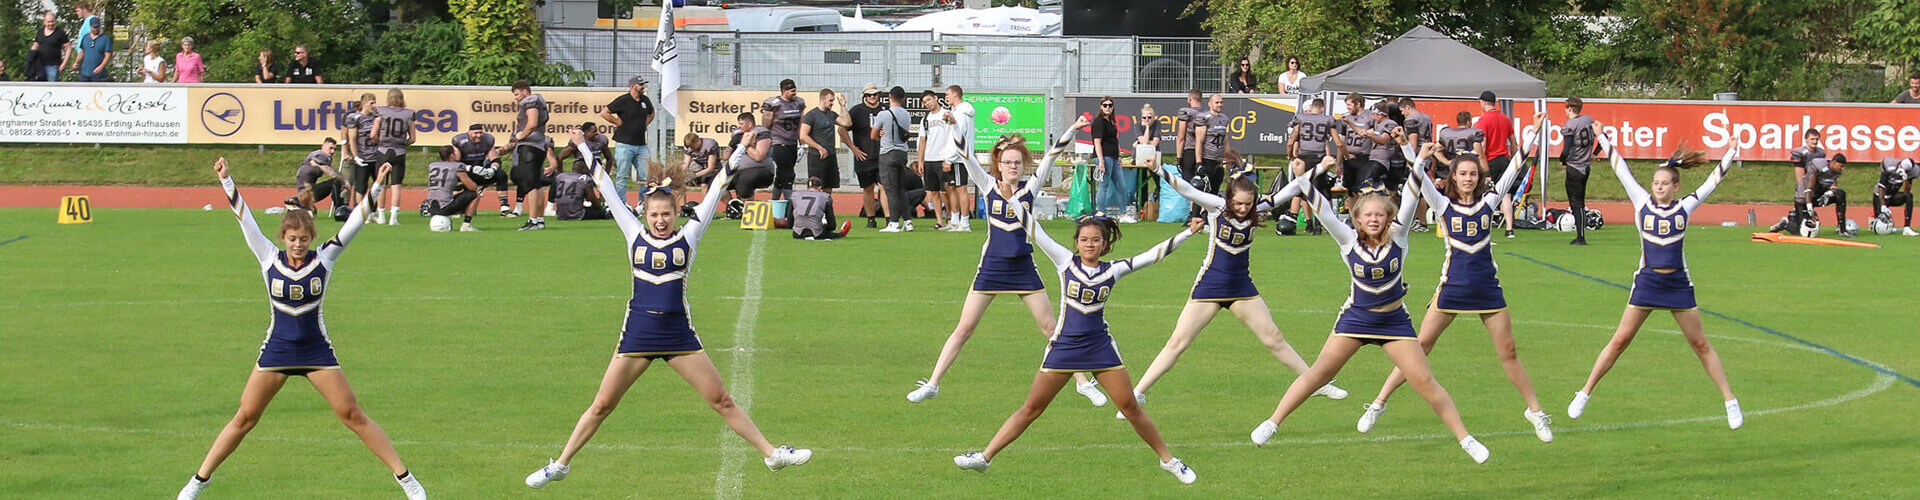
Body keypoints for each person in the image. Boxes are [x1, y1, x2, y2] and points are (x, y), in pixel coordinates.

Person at [522, 132, 812, 490]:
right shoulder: (633, 233)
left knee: (721, 399)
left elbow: (720, 183)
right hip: (638, 334)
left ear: (677, 211)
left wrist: (739, 147)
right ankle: (561, 464)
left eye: (666, 214)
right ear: (644, 213)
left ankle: (772, 454)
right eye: (654, 214)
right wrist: (582, 145)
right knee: (601, 405)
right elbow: (607, 188)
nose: (660, 220)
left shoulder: (689, 236)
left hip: (678, 335)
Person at [179, 159, 426, 500]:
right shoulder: (268, 256)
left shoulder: (324, 258)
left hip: (315, 352)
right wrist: (226, 179)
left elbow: (356, 221)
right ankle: (197, 482)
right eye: (293, 238)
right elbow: (244, 218)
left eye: (304, 238)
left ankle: (408, 482)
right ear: (283, 237)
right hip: (277, 349)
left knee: (353, 414)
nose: (298, 244)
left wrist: (379, 184)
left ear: (313, 237)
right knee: (244, 418)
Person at [1249, 157, 1489, 465]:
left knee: (1424, 381)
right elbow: (1321, 207)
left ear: (1389, 217)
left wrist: (1417, 158)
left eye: (1379, 214)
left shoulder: (1399, 238)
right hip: (1356, 319)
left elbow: (1414, 190)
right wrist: (1303, 176)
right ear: (1358, 219)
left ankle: (1465, 439)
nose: (1373, 219)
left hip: (1394, 322)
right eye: (1367, 215)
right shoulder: (1347, 240)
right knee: (1319, 374)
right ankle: (1273, 422)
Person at [951, 216, 1200, 485]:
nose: (1089, 244)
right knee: (1032, 408)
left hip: (1099, 347)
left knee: (1130, 406)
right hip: (1065, 347)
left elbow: (1153, 255)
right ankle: (984, 458)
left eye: (1095, 240)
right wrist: (1014, 201)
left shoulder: (1113, 269)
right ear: (1076, 243)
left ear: (1105, 244)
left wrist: (1188, 232)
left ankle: (1169, 461)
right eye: (1084, 239)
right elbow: (1037, 231)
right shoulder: (1065, 262)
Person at [1355, 142, 1552, 442]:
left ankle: (1536, 412)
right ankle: (1378, 403)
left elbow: (1513, 170)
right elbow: (1418, 175)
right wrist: (1409, 147)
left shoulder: (1489, 200)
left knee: (1509, 352)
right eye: (1462, 173)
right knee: (1419, 349)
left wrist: (1533, 133)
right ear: (1453, 177)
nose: (1468, 178)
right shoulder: (1443, 204)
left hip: (1487, 288)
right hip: (1452, 288)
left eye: (1473, 173)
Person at [907, 124, 1114, 406]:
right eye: (1007, 162)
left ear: (1023, 165)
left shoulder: (1030, 188)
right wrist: (954, 125)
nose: (1012, 166)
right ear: (998, 164)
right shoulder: (987, 185)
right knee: (964, 328)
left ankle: (1082, 383)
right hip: (992, 266)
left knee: (1051, 327)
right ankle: (932, 383)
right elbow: (965, 154)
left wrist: (1074, 128)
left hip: (1023, 268)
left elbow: (1053, 153)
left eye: (1017, 162)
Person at [1127, 164, 1348, 419]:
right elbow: (1186, 189)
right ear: (1229, 198)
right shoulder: (1216, 207)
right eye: (1239, 204)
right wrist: (1157, 169)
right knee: (1177, 342)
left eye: (1248, 204)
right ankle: (1138, 393)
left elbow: (1293, 188)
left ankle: (1315, 384)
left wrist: (1319, 167)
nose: (1244, 209)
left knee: (1274, 338)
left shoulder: (1259, 209)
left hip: (1241, 288)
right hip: (1210, 286)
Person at [1568, 136, 1744, 430]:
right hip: (1648, 282)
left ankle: (1730, 400)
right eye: (1655, 182)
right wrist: (1602, 137)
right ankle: (1584, 392)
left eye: (1665, 183)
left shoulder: (1686, 206)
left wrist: (1731, 152)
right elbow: (1620, 169)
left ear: (1676, 186)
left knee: (1700, 343)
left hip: (1677, 284)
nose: (1659, 186)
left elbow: (1714, 180)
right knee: (1620, 341)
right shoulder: (1640, 203)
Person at [1541, 98, 1601, 245]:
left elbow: (1566, 149)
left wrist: (1562, 159)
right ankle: (1580, 234)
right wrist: (1595, 153)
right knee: (1579, 201)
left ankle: (1580, 236)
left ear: (1568, 108)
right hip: (1586, 166)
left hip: (1575, 166)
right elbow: (1602, 137)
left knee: (1576, 203)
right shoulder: (1588, 120)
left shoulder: (1570, 125)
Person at [1284, 98, 1346, 231]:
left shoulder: (1301, 118)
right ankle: (1319, 224)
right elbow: (1339, 143)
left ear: (1311, 108)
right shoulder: (1328, 120)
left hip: (1303, 158)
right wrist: (1346, 155)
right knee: (1319, 192)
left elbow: (1291, 141)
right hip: (1319, 158)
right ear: (1322, 109)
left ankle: (1297, 224)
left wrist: (1290, 156)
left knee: (1299, 190)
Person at [600, 76, 656, 207]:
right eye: (640, 84)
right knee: (622, 176)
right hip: (624, 144)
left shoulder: (645, 100)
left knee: (645, 176)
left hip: (641, 145)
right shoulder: (623, 100)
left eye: (643, 84)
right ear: (632, 86)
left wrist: (644, 124)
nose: (643, 86)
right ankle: (622, 203)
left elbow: (651, 114)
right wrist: (617, 122)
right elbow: (605, 112)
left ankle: (643, 203)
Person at [1475, 91, 1522, 238]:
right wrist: (1514, 161)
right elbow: (1514, 143)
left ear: (1483, 102)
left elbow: (1482, 145)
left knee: (1484, 194)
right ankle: (1509, 228)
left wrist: (1481, 163)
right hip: (1504, 160)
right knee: (1505, 194)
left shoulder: (1483, 121)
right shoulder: (1505, 119)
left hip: (1489, 160)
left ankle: (1483, 228)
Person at [369, 89, 417, 226]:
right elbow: (412, 138)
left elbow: (372, 135)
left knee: (382, 184)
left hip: (383, 150)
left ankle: (381, 215)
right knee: (396, 185)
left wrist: (381, 142)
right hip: (399, 151)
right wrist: (403, 144)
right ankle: (393, 217)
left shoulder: (380, 112)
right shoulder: (409, 114)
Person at [510, 80, 553, 229]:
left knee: (529, 184)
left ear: (525, 91)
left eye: (517, 94)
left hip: (530, 146)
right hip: (538, 145)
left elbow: (533, 122)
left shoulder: (530, 101)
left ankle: (533, 220)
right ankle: (539, 220)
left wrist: (521, 135)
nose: (516, 98)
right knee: (536, 184)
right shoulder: (538, 100)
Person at [873, 86, 916, 232]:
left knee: (890, 190)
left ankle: (894, 222)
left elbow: (873, 135)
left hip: (887, 153)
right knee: (900, 189)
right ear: (903, 99)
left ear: (890, 96)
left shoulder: (883, 114)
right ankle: (908, 221)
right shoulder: (906, 115)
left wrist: (880, 133)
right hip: (902, 153)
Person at [846, 83, 888, 228]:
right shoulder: (857, 111)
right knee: (868, 188)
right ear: (864, 96)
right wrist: (853, 148)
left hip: (883, 155)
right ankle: (871, 219)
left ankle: (889, 219)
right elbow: (842, 129)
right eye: (869, 95)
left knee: (884, 187)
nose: (872, 97)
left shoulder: (885, 109)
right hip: (864, 156)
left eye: (874, 94)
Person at [1769, 130, 1827, 233]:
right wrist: (1805, 190)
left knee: (1809, 224)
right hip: (1804, 189)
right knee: (1801, 230)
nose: (1814, 142)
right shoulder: (1800, 153)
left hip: (1815, 187)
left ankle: (1794, 218)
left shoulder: (1821, 153)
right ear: (1806, 140)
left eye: (1816, 139)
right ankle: (1787, 222)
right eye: (1812, 139)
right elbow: (1800, 177)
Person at [452, 123, 512, 215]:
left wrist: (493, 169)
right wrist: (470, 168)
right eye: (476, 133)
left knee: (501, 174)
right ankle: (456, 207)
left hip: (481, 170)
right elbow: (455, 163)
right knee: (455, 176)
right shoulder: (459, 141)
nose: (478, 135)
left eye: (480, 133)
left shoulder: (488, 140)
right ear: (469, 132)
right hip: (465, 171)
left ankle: (505, 207)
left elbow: (495, 158)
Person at [424, 145, 488, 232]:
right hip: (445, 207)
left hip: (431, 207)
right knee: (475, 194)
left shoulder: (433, 165)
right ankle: (466, 225)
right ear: (451, 155)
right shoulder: (457, 166)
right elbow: (472, 187)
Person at [764, 79, 807, 200]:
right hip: (778, 142)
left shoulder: (798, 103)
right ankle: (790, 204)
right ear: (784, 91)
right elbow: (766, 126)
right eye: (792, 91)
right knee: (788, 174)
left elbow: (800, 125)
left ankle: (775, 202)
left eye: (795, 90)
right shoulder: (774, 104)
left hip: (792, 142)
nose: (795, 93)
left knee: (782, 175)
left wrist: (802, 144)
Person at [944, 85, 979, 230]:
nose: (946, 97)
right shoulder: (956, 112)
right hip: (954, 157)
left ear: (955, 95)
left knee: (961, 188)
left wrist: (950, 158)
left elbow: (958, 136)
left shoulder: (962, 113)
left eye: (948, 94)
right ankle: (954, 220)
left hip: (959, 158)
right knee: (951, 188)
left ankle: (965, 223)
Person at [917, 90, 953, 228]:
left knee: (946, 189)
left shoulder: (946, 114)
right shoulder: (925, 119)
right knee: (933, 191)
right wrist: (921, 161)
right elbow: (922, 140)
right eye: (925, 102)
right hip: (930, 159)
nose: (928, 104)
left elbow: (952, 135)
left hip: (943, 158)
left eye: (929, 100)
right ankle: (939, 221)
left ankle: (950, 216)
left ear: (936, 98)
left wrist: (948, 158)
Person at [1091, 96, 1132, 221]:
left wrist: (1119, 154)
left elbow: (1115, 139)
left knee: (1121, 185)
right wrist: (1101, 160)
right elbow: (1097, 142)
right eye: (1105, 105)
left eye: (1110, 105)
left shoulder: (1111, 122)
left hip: (1113, 157)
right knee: (1104, 185)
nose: (1108, 107)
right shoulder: (1099, 122)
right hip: (1105, 157)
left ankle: (1123, 214)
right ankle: (1100, 213)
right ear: (1101, 106)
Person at [1793, 154, 1853, 237]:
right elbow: (1808, 189)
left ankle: (1842, 229)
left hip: (1818, 195)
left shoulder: (1837, 170)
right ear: (1834, 162)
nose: (1843, 169)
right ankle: (1786, 223)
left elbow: (1833, 181)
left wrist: (1830, 192)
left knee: (1840, 194)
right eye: (1841, 166)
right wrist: (1810, 208)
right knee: (1803, 232)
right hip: (1804, 199)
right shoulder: (1817, 166)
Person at [725, 112, 778, 205]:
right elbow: (725, 156)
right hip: (739, 170)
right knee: (717, 182)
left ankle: (748, 209)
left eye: (741, 124)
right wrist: (730, 145)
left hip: (761, 170)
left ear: (749, 124)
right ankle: (734, 207)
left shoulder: (761, 133)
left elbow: (759, 157)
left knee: (744, 180)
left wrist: (745, 145)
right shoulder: (738, 134)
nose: (739, 126)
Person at [799, 88, 845, 194]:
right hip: (816, 157)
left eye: (833, 100)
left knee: (828, 187)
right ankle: (816, 210)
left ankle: (827, 208)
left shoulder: (832, 114)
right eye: (830, 100)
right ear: (823, 99)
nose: (832, 103)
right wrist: (819, 147)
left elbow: (847, 123)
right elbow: (803, 136)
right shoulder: (811, 115)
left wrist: (843, 106)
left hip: (831, 156)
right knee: (815, 188)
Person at [341, 93, 381, 206]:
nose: (374, 105)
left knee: (377, 186)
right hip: (363, 156)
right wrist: (356, 156)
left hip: (376, 156)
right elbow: (352, 139)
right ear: (364, 104)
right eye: (371, 103)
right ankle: (359, 210)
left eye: (375, 102)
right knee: (361, 187)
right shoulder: (354, 118)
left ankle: (373, 211)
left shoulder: (376, 117)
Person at [288, 138, 347, 212]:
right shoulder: (319, 155)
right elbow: (330, 172)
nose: (333, 151)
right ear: (323, 146)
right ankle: (340, 209)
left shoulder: (327, 158)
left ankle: (300, 203)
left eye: (334, 149)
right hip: (306, 191)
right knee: (335, 182)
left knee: (312, 211)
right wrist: (344, 182)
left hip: (309, 189)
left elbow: (332, 169)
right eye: (331, 148)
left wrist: (343, 179)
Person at [1174, 90, 1206, 216]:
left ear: (1189, 99)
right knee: (1202, 184)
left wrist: (1178, 157)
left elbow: (1181, 136)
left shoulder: (1185, 112)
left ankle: (1196, 214)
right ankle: (1197, 213)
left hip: (1190, 150)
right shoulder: (1206, 113)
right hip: (1205, 152)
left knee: (1191, 186)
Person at [552, 156, 612, 222]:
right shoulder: (584, 178)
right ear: (583, 169)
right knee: (601, 212)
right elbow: (593, 200)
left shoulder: (561, 176)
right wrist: (599, 207)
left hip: (560, 214)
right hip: (577, 214)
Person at [1873, 158, 1918, 235]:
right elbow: (1881, 186)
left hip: (1892, 196)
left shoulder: (1911, 173)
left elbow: (1906, 190)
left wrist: (1905, 178)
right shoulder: (1889, 166)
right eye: (1901, 166)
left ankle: (1907, 227)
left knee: (1909, 196)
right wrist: (1883, 205)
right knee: (1880, 227)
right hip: (1880, 197)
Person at [30, 12, 69, 82]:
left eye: (52, 21)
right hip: (40, 65)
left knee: (51, 87)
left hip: (53, 66)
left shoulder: (60, 32)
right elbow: (35, 45)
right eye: (49, 22)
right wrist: (30, 59)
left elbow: (68, 47)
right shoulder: (40, 32)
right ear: (44, 22)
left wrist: (64, 63)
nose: (51, 24)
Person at [73, 17, 110, 82]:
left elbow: (108, 55)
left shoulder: (105, 39)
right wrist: (76, 62)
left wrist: (101, 67)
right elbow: (82, 51)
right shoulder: (85, 37)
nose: (95, 29)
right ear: (90, 26)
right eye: (94, 27)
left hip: (98, 73)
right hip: (84, 72)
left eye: (97, 27)